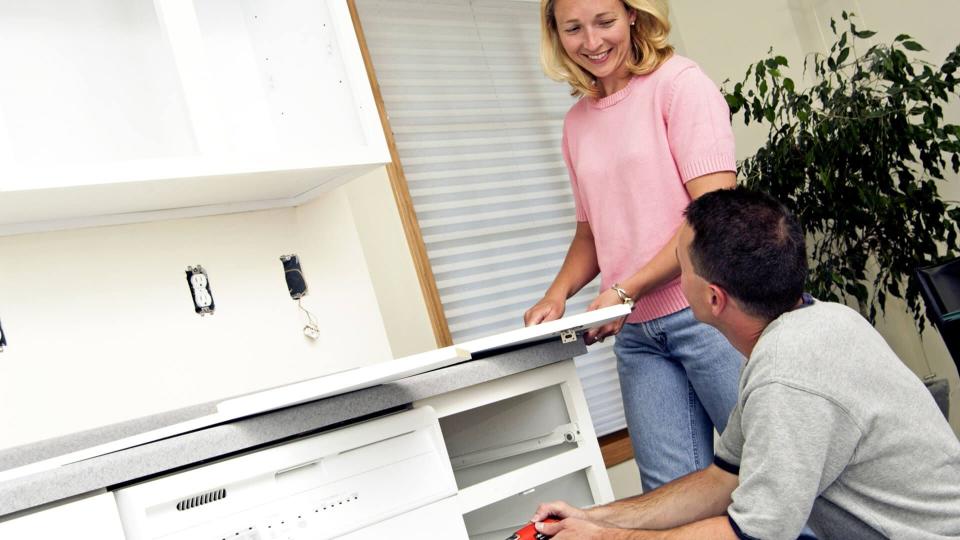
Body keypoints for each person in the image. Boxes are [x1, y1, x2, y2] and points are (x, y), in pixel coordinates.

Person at [529, 187, 960, 539]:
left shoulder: (787, 376)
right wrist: (595, 518)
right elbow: (723, 479)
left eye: (680, 264)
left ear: (714, 298)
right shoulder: (818, 322)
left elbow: (750, 537)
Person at [524, 0, 744, 491]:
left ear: (632, 15)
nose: (593, 42)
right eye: (574, 28)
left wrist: (625, 291)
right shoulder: (576, 123)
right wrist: (556, 295)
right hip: (639, 336)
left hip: (712, 313)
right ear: (555, 34)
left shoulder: (680, 85)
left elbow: (711, 214)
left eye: (604, 22)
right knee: (669, 496)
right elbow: (592, 231)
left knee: (767, 472)